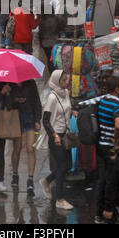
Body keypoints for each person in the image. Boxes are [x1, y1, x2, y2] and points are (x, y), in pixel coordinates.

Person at [39, 70, 73, 210]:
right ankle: (59, 198)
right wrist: (54, 135)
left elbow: (66, 110)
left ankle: (47, 181)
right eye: (64, 80)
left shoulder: (65, 94)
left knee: (67, 165)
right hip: (56, 137)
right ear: (56, 81)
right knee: (61, 166)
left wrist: (73, 111)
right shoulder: (52, 97)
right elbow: (45, 120)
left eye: (67, 79)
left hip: (65, 135)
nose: (67, 82)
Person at [95, 76, 119, 224]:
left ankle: (98, 213)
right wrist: (117, 142)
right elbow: (118, 125)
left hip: (100, 144)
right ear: (117, 89)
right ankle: (109, 213)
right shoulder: (118, 104)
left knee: (102, 179)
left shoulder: (104, 100)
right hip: (110, 147)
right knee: (112, 181)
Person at [10, 79, 42, 195]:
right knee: (17, 148)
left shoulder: (31, 82)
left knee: (30, 148)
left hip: (30, 117)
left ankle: (30, 179)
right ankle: (15, 174)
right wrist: (14, 99)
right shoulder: (11, 83)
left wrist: (38, 119)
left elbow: (37, 101)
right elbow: (7, 103)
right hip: (16, 118)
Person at [39, 6, 65, 74]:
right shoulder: (57, 19)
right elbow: (61, 29)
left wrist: (41, 43)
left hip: (46, 44)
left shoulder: (42, 21)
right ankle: (59, 72)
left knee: (49, 59)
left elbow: (41, 33)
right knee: (57, 58)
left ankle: (52, 73)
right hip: (56, 42)